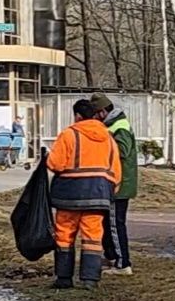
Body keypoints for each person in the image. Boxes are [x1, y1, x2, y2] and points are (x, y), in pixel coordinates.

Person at [46, 99, 122, 289]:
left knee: (64, 234)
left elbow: (56, 164)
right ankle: (90, 279)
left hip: (69, 194)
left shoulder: (69, 135)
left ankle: (64, 278)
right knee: (92, 237)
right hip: (98, 194)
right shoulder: (108, 138)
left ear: (77, 116)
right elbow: (116, 170)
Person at [97, 99, 139, 275]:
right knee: (109, 222)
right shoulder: (115, 125)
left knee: (115, 224)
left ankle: (123, 263)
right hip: (117, 182)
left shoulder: (119, 127)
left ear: (102, 112)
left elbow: (123, 150)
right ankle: (113, 256)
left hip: (119, 185)